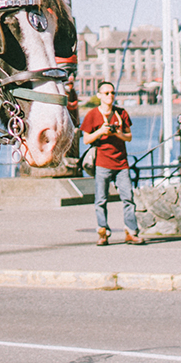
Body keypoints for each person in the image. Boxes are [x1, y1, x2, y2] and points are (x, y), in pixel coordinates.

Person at [80, 80, 142, 245]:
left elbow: (129, 137)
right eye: (107, 93)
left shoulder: (121, 113)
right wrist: (101, 131)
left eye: (113, 93)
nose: (110, 96)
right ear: (99, 95)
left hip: (121, 163)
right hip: (102, 163)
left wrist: (119, 134)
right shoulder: (92, 114)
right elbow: (86, 139)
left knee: (128, 198)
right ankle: (103, 232)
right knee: (101, 200)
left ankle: (131, 232)